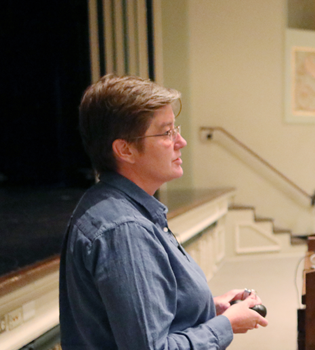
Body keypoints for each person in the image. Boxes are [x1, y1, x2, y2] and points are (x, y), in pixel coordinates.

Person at [59, 75, 267, 349]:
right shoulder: (124, 231)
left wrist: (208, 309)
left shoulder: (115, 205)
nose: (181, 141)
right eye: (166, 132)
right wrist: (225, 325)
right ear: (125, 149)